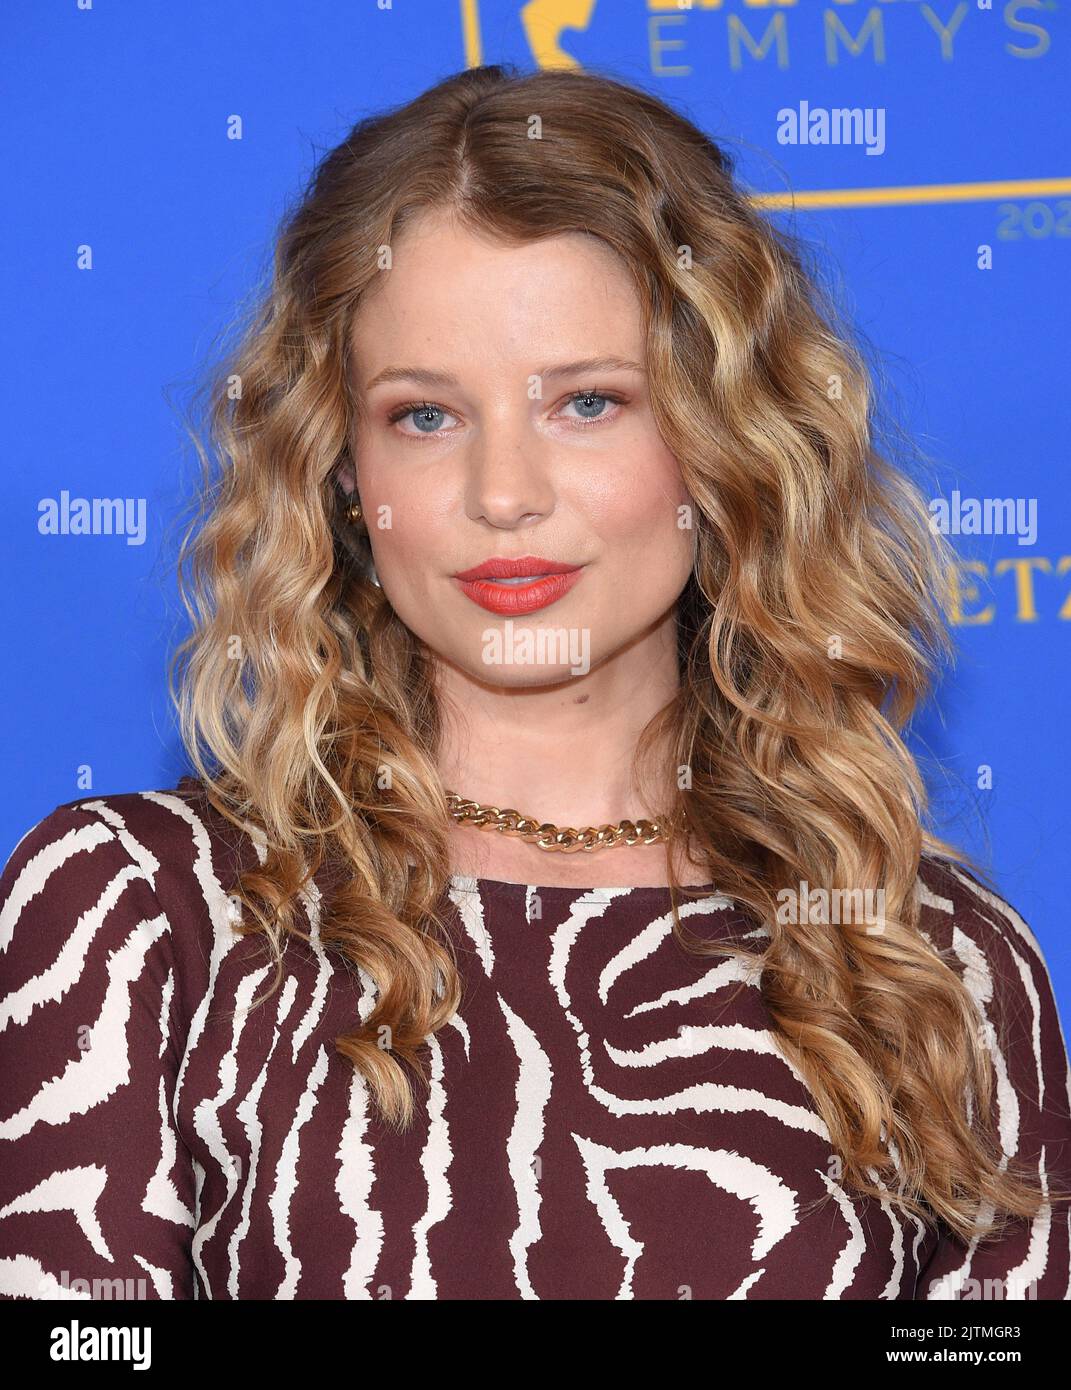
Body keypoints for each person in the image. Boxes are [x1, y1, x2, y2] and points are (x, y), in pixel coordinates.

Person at [1, 64, 1068, 1301]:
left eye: (588, 402)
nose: (504, 494)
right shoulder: (141, 916)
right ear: (339, 468)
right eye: (425, 416)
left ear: (723, 441)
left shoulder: (931, 960)